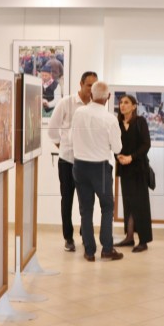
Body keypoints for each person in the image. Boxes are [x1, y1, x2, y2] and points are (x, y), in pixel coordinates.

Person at [71, 81, 124, 262]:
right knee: (107, 207)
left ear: (91, 95)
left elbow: (72, 137)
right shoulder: (110, 119)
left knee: (85, 209)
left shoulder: (78, 113)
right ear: (108, 97)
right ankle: (107, 249)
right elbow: (117, 149)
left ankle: (89, 251)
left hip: (79, 166)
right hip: (100, 168)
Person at [48, 71, 98, 252]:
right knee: (67, 200)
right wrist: (63, 146)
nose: (91, 89)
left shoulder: (95, 106)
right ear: (81, 84)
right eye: (88, 85)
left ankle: (86, 237)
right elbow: (52, 129)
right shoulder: (66, 103)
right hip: (67, 161)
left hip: (87, 161)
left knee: (86, 202)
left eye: (95, 85)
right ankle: (68, 238)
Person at [114, 95, 153, 252]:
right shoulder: (117, 123)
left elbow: (146, 144)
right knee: (128, 204)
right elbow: (114, 143)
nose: (123, 105)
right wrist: (119, 156)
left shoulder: (140, 122)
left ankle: (143, 240)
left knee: (141, 205)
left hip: (139, 168)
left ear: (134, 106)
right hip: (124, 168)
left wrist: (131, 157)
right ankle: (129, 237)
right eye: (121, 102)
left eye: (126, 103)